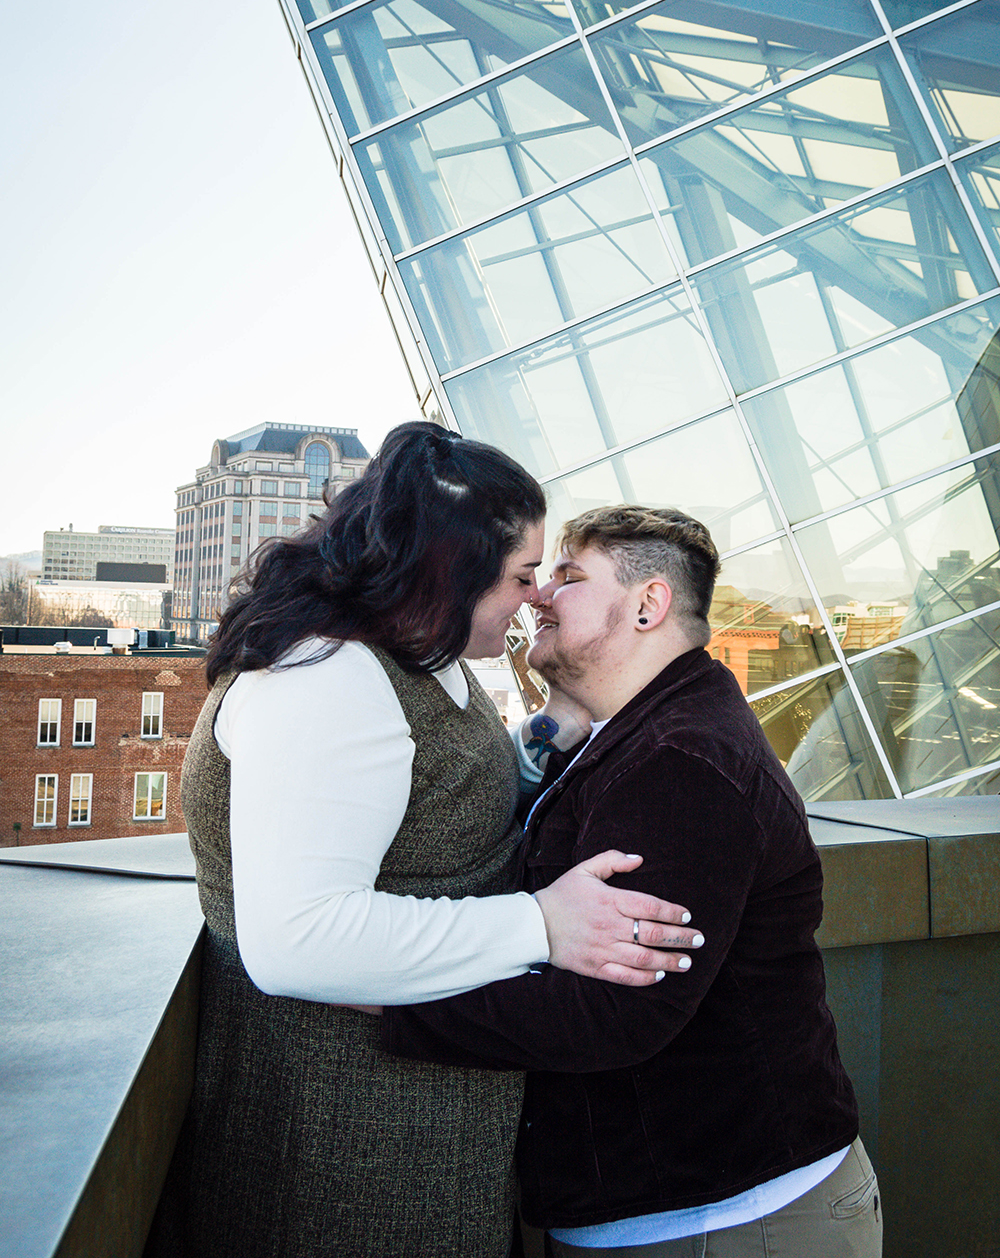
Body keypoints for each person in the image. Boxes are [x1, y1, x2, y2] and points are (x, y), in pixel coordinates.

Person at [147, 429, 701, 1258]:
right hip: (345, 1152)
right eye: (521, 575)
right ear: (452, 565)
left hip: (418, 1126)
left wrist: (552, 732)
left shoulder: (406, 654)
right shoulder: (324, 678)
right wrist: (541, 924)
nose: (535, 597)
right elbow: (298, 940)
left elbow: (434, 802)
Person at [379, 505, 881, 1257]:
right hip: (688, 1205)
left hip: (724, 1223)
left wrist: (377, 996)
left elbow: (611, 1012)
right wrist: (562, 717)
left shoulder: (680, 764)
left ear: (649, 605)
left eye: (570, 578)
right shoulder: (645, 727)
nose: (538, 596)